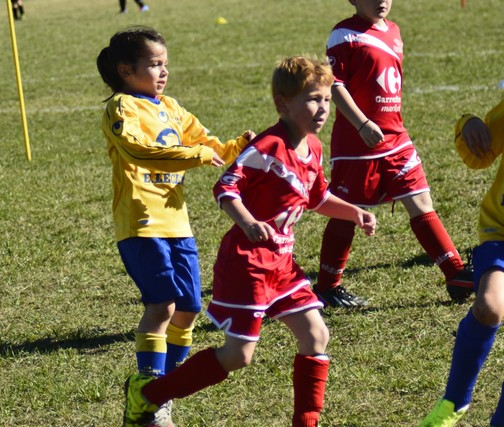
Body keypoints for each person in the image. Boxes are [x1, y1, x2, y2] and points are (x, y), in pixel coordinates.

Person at [122, 55, 377, 427]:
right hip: (248, 264)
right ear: (282, 104)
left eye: (326, 99)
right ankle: (147, 395)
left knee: (316, 334)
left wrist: (354, 212)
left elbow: (317, 197)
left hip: (282, 265)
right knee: (238, 356)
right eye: (312, 99)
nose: (323, 108)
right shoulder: (267, 147)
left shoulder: (313, 147)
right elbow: (225, 188)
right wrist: (248, 221)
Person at [96, 26, 253, 427]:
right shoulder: (121, 108)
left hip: (177, 222)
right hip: (141, 222)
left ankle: (162, 393)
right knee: (162, 304)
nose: (164, 71)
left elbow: (210, 145)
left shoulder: (170, 107)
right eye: (154, 64)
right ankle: (148, 391)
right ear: (126, 70)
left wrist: (241, 145)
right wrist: (193, 155)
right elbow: (140, 151)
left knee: (188, 308)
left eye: (165, 63)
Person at [313, 0, 473, 308]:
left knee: (421, 201)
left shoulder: (395, 31)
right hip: (358, 142)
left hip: (396, 137)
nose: (381, 0)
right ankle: (327, 287)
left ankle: (455, 274)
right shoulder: (343, 34)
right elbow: (335, 85)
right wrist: (362, 124)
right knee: (348, 210)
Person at [420, 100, 504, 426]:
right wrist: (468, 124)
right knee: (489, 306)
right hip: (500, 232)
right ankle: (454, 402)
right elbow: (478, 156)